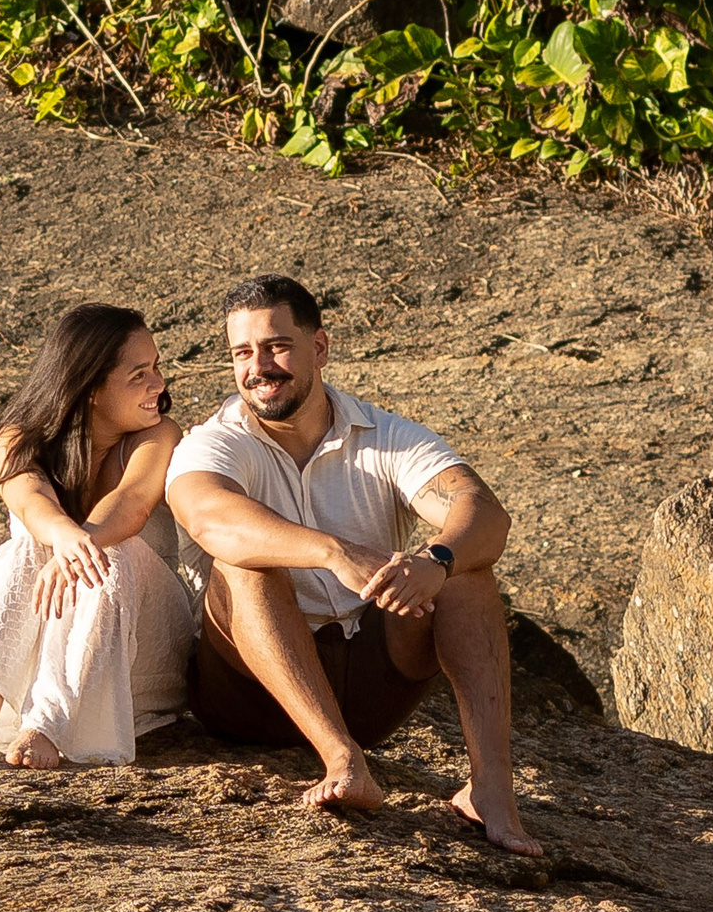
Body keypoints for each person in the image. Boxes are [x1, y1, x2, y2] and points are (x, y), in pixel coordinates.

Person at [165, 274, 543, 855]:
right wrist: (331, 551)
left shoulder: (384, 435)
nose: (259, 368)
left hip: (373, 686)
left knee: (465, 572)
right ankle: (342, 760)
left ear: (319, 347)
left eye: (277, 347)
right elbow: (208, 517)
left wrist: (436, 560)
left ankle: (491, 789)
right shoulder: (214, 441)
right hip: (249, 696)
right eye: (242, 353)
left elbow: (484, 512)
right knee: (242, 563)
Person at [0, 303, 200, 768]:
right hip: (46, 656)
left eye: (156, 368)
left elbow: (133, 501)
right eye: (139, 374)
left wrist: (82, 544)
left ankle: (49, 725)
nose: (158, 384)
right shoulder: (16, 439)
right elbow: (28, 498)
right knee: (20, 549)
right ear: (91, 387)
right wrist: (62, 538)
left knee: (111, 553)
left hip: (145, 654)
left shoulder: (157, 436)